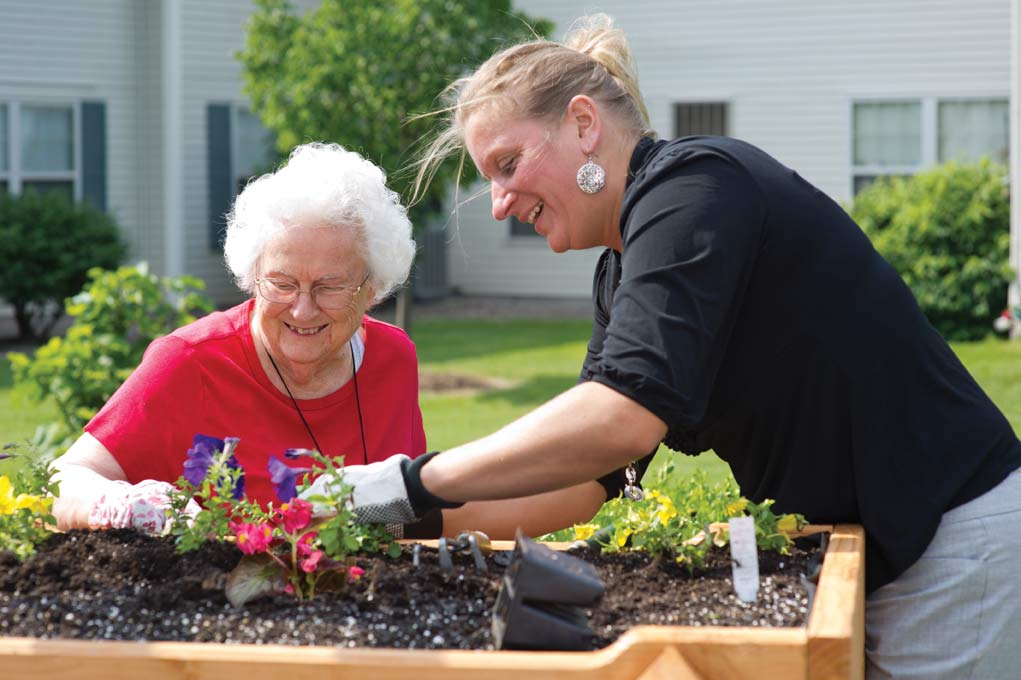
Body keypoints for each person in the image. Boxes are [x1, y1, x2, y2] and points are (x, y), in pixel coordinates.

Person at [309, 15, 1021, 680]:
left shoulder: (698, 188)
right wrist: (399, 517)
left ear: (583, 124)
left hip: (948, 542)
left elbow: (623, 415)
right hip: (873, 547)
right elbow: (587, 479)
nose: (498, 201)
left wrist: (410, 479)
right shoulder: (626, 263)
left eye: (505, 164)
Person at [51, 142, 424, 531]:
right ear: (253, 275)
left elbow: (418, 510)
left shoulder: (393, 358)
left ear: (373, 288)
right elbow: (64, 480)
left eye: (330, 287)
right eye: (281, 283)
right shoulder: (190, 362)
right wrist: (121, 505)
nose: (302, 309)